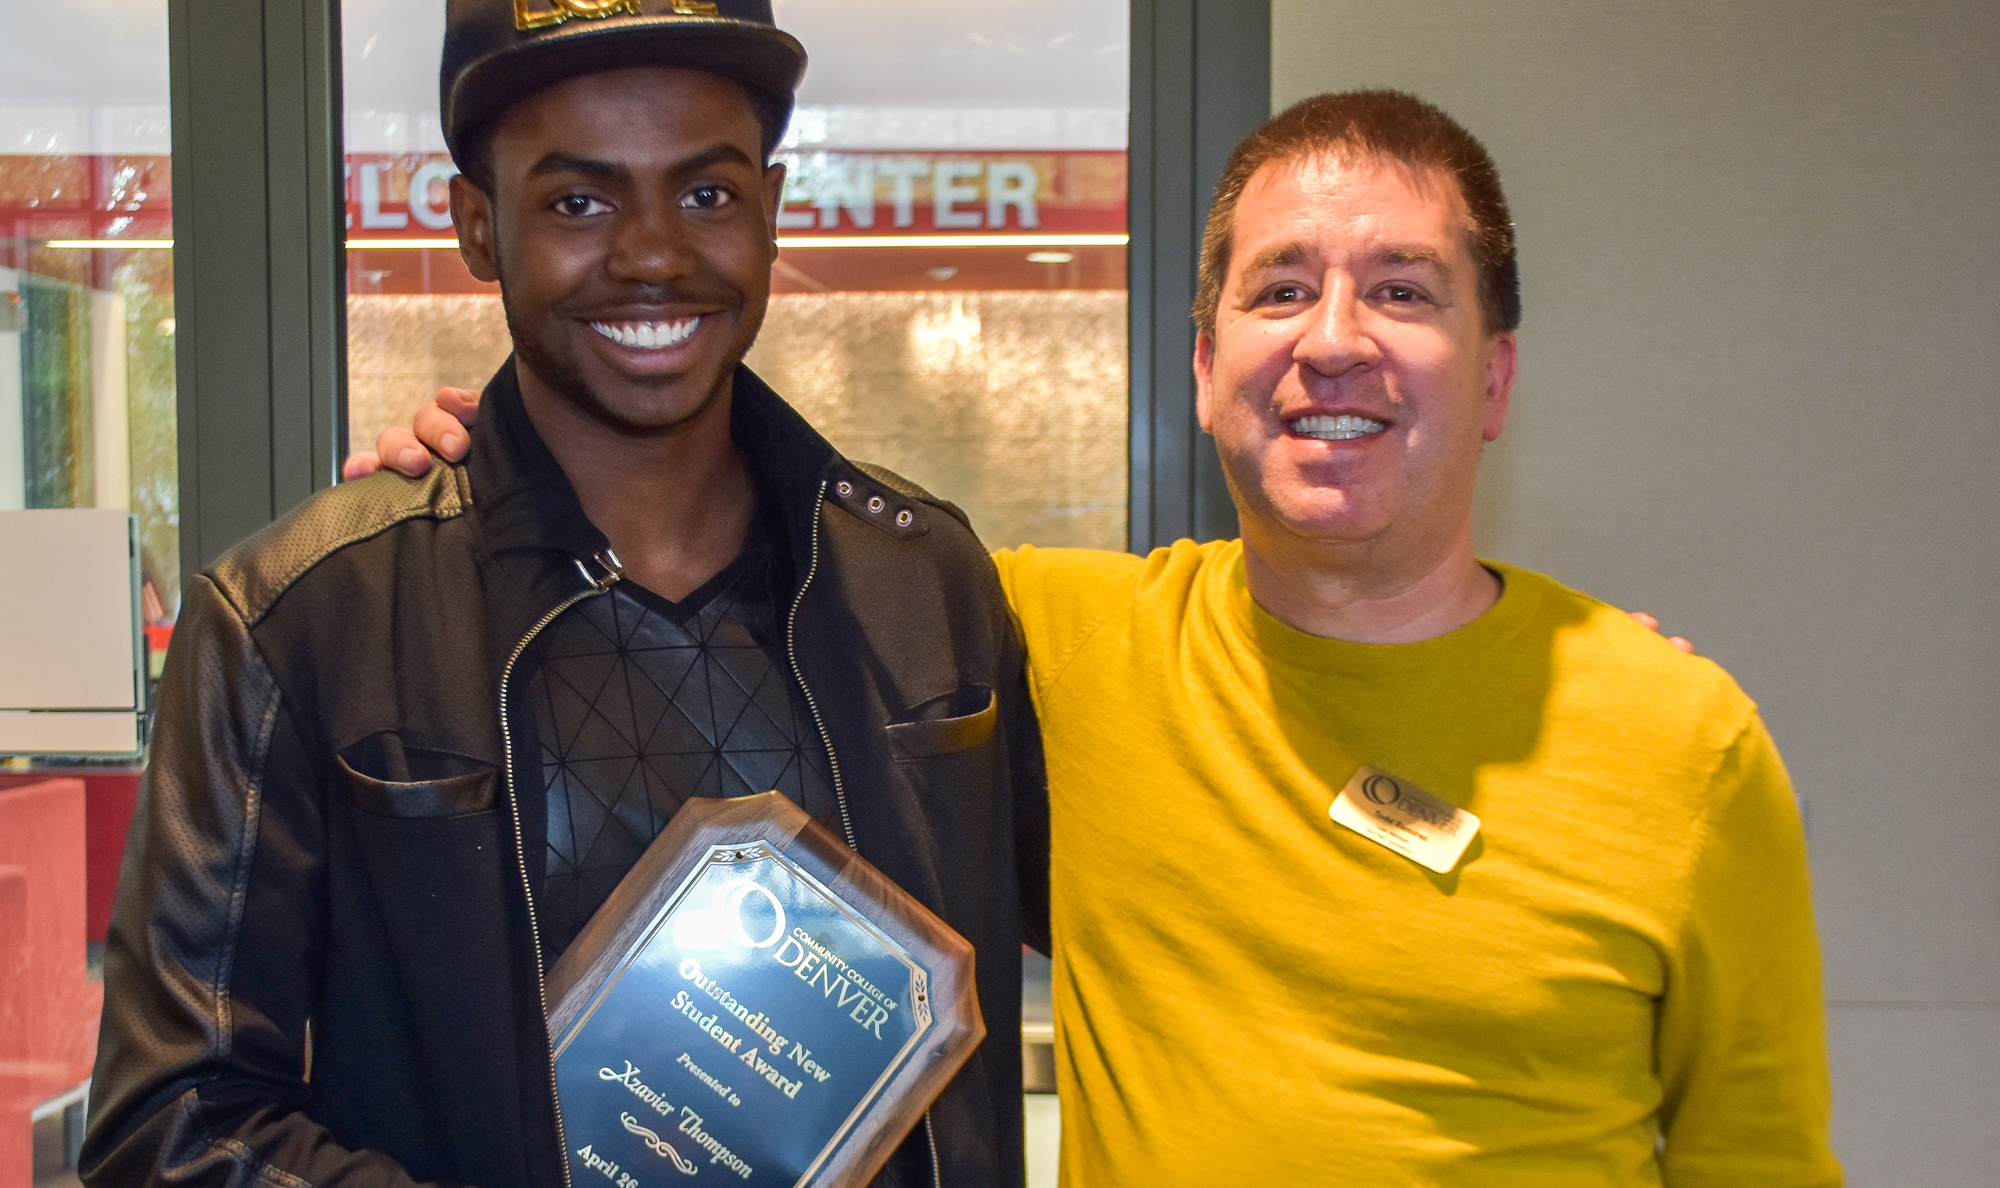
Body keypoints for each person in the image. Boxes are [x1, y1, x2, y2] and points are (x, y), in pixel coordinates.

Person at [365, 90, 1839, 1186]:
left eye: (1403, 290)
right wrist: (505, 460)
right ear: (1206, 373)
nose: (1334, 337)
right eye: (1280, 290)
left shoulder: (1679, 742)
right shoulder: (1047, 640)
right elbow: (718, 564)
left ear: (1495, 374)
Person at [81, 4, 1045, 1187]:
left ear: (772, 208)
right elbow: (174, 1122)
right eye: (577, 202)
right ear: (476, 226)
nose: (651, 254)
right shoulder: (300, 619)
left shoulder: (925, 579)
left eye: (706, 195)